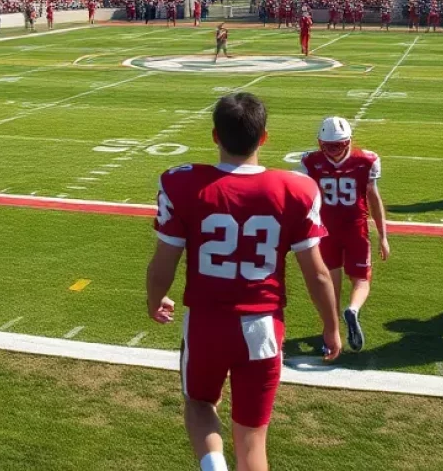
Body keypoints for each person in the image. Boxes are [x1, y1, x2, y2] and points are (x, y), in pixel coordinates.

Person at [145, 92, 341, 471]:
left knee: (200, 404)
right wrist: (331, 326)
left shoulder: (183, 183)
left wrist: (155, 300)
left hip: (206, 323)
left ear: (215, 136)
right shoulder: (296, 189)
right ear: (264, 137)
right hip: (263, 326)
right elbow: (317, 273)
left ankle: (213, 465)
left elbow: (162, 264)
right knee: (252, 439)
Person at [299, 117, 388, 353]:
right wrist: (383, 236)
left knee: (331, 281)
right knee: (361, 279)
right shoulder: (366, 160)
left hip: (325, 230)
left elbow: (304, 200)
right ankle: (354, 309)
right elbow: (374, 199)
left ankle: (332, 328)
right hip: (355, 228)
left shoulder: (310, 161)